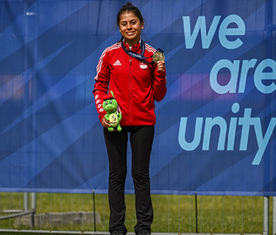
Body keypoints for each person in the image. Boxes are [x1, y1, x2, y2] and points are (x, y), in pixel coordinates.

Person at [92, 2, 167, 235]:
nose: (129, 27)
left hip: (144, 123)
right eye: (124, 24)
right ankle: (116, 229)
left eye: (133, 22)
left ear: (142, 24)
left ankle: (143, 229)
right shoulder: (110, 54)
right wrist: (104, 114)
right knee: (117, 175)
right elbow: (99, 85)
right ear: (119, 27)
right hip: (116, 123)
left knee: (140, 175)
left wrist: (161, 74)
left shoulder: (153, 55)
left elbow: (159, 95)